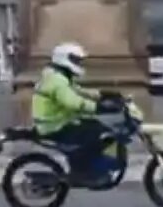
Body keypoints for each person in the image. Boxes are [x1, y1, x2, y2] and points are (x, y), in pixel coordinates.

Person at [32, 42, 107, 182]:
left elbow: (77, 91)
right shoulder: (57, 80)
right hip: (54, 126)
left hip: (57, 122)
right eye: (75, 60)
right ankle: (80, 171)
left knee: (93, 125)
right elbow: (72, 102)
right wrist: (97, 107)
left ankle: (87, 167)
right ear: (64, 58)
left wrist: (102, 95)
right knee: (93, 131)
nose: (78, 63)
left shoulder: (59, 76)